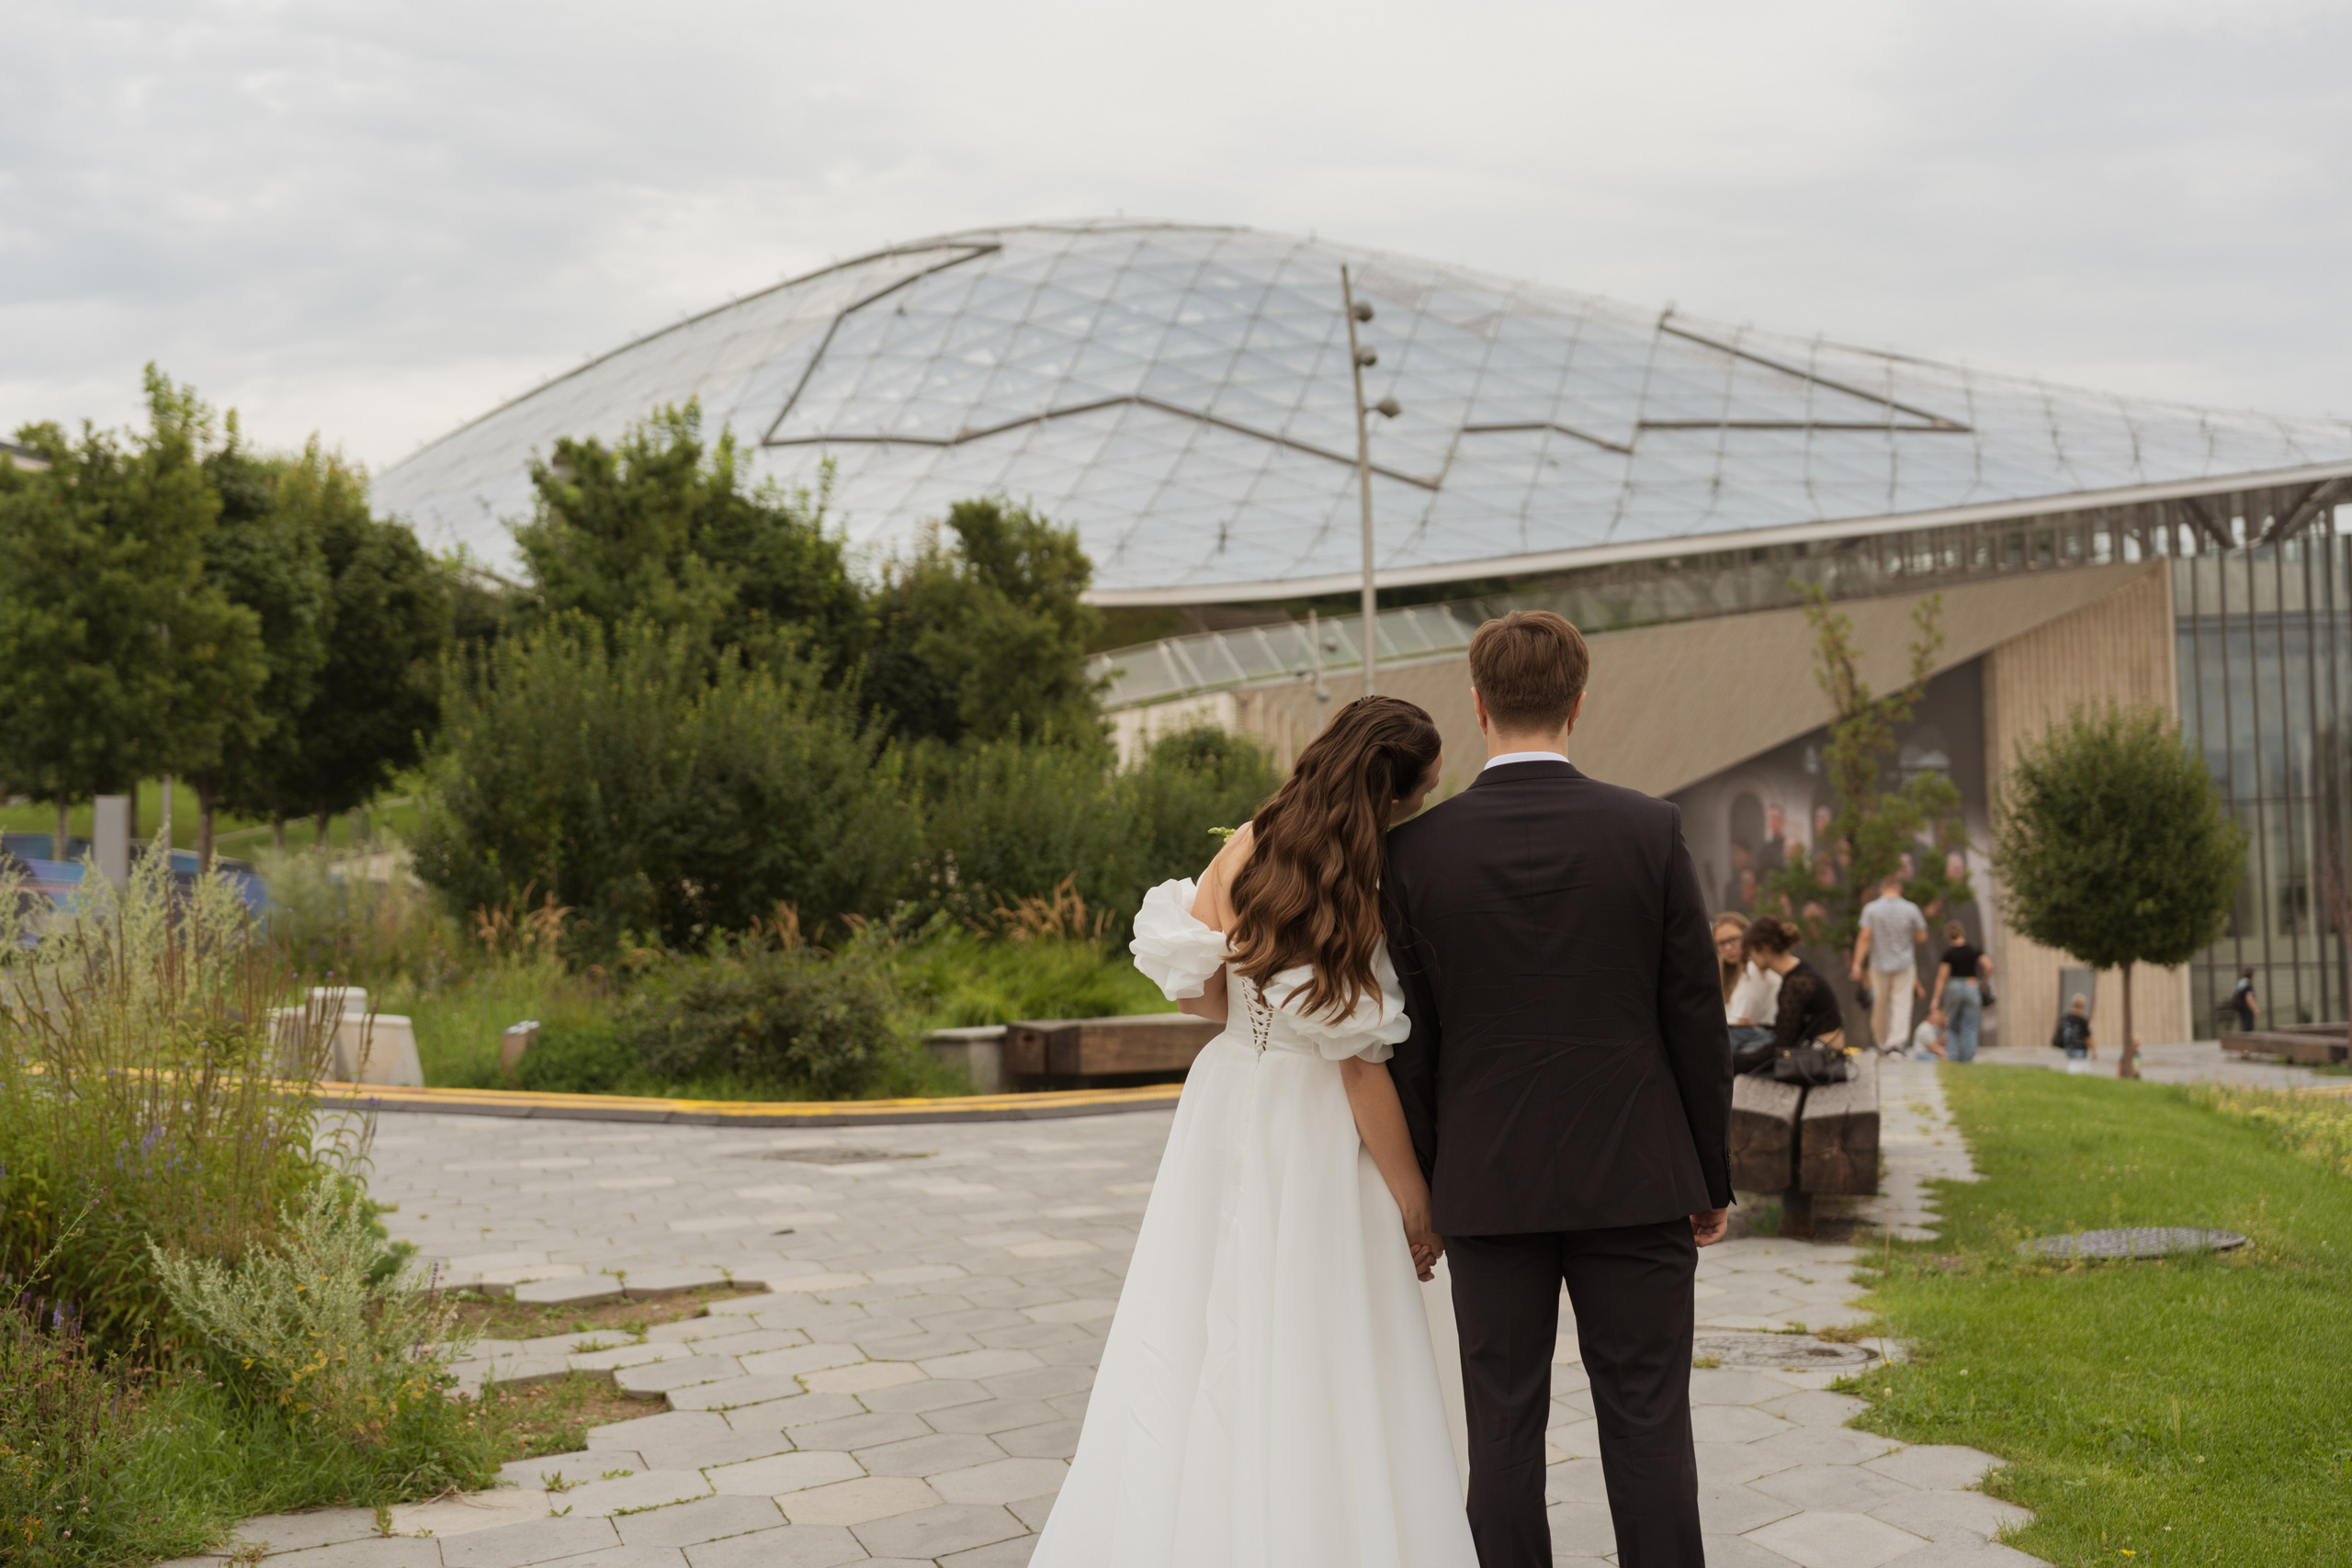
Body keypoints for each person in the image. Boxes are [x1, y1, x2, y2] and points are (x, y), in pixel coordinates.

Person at [1035, 696, 1477, 1568]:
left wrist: (1256, 1013)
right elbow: (1359, 1067)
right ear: (1395, 793)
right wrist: (1415, 1199)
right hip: (1314, 1123)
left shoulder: (1246, 843)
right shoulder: (1363, 880)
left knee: (1199, 1318)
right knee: (1317, 1332)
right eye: (1421, 794)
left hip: (1229, 1094)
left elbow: (1197, 993)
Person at [1385, 609, 1732, 1568]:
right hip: (1637, 1174)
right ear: (1580, 702)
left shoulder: (1412, 857)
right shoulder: (1649, 831)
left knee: (1499, 1430)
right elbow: (1694, 1020)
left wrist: (1428, 1186)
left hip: (1488, 1186)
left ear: (1476, 705)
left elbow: (1409, 1047)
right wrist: (1710, 1174)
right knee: (1650, 1421)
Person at [1736, 915, 1844, 1075]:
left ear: (1763, 948)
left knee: (1742, 1053)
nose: (1750, 958)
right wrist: (1758, 1026)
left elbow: (1782, 1046)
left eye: (1750, 952)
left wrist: (1734, 1063)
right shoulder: (1800, 970)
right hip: (1822, 1053)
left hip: (1820, 1060)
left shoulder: (1795, 984)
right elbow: (1790, 1030)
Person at [1851, 873, 1928, 1055]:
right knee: (1902, 1003)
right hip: (1904, 963)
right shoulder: (1911, 909)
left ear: (1881, 889)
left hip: (1879, 964)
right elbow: (1922, 936)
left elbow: (1865, 937)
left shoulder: (1871, 909)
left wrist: (1857, 963)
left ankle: (1881, 1041)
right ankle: (1897, 1043)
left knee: (1880, 1003)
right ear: (1900, 889)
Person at [1717, 911, 1780, 1062]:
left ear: (1748, 936)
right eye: (1721, 943)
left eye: (1733, 940)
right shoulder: (1730, 977)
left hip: (1762, 1044)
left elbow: (1737, 1023)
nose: (1728, 948)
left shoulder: (1755, 968)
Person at [1928, 920, 1991, 1064]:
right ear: (1963, 932)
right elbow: (1988, 966)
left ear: (1948, 936)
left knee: (1952, 1024)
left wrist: (1936, 999)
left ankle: (1954, 1057)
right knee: (1970, 1025)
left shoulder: (1949, 953)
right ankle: (1967, 1059)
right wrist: (1983, 981)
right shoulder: (1974, 949)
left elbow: (1942, 977)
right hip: (1971, 984)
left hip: (1954, 986)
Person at [2053, 994, 2096, 1060]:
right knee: (2079, 1067)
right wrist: (2094, 1051)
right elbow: (2087, 1037)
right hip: (2080, 1049)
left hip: (2068, 1049)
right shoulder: (2083, 1020)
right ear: (2083, 1006)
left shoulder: (2065, 1018)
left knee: (2072, 1065)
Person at [2229, 968, 2259, 1032]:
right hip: (2245, 1007)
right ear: (2251, 976)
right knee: (2248, 1026)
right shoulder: (2248, 984)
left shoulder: (2242, 982)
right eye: (2254, 976)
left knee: (2244, 1024)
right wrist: (2255, 1009)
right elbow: (2249, 998)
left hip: (2239, 1006)